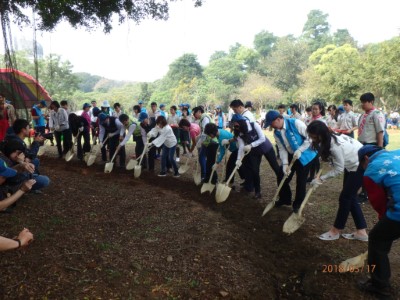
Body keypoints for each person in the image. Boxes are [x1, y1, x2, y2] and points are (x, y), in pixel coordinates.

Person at [306, 121, 368, 241]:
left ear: (321, 135)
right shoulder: (328, 139)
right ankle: (361, 232)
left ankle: (336, 231)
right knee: (351, 197)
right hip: (352, 165)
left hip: (360, 165)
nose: (312, 139)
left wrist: (321, 179)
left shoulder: (335, 146)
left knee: (345, 198)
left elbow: (338, 169)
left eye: (313, 136)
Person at [357, 145, 400, 298]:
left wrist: (384, 224)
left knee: (377, 239)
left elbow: (380, 205)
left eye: (362, 165)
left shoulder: (371, 171)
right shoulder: (397, 152)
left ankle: (380, 285)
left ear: (366, 159)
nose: (364, 168)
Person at [265, 110, 317, 213]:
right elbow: (282, 148)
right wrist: (285, 164)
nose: (271, 126)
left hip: (306, 155)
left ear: (279, 119)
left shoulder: (295, 123)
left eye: (272, 123)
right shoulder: (276, 133)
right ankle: (285, 199)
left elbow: (310, 138)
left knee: (301, 181)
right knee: (282, 176)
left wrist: (300, 150)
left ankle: (297, 205)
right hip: (291, 154)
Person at [231, 114, 280, 199]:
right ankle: (258, 192)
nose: (235, 127)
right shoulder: (239, 132)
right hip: (254, 151)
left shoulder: (254, 125)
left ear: (241, 122)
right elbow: (241, 147)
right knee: (254, 170)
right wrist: (239, 159)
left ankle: (282, 190)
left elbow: (262, 138)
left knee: (275, 167)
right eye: (234, 125)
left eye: (236, 124)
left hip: (266, 147)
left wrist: (251, 145)